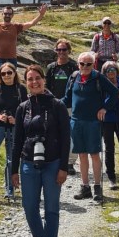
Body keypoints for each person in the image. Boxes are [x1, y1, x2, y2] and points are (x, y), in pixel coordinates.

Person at [11, 65, 70, 237]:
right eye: (30, 79)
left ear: (44, 80)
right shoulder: (22, 108)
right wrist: (14, 170)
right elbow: (16, 140)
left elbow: (66, 139)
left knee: (51, 208)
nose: (34, 82)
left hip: (52, 163)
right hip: (28, 162)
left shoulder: (57, 105)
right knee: (29, 206)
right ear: (25, 83)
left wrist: (64, 167)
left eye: (37, 78)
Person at [63, 52, 119, 203]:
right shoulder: (74, 77)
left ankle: (97, 188)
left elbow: (114, 93)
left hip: (93, 122)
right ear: (78, 64)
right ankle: (85, 187)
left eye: (88, 64)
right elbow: (67, 98)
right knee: (81, 154)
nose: (85, 67)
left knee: (94, 154)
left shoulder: (99, 78)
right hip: (76, 121)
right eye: (82, 64)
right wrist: (53, 104)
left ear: (94, 64)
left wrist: (104, 108)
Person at [0, 64, 28, 198]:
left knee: (11, 159)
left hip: (14, 127)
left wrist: (16, 119)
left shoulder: (21, 89)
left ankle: (10, 191)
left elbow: (26, 109)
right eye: (3, 74)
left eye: (9, 73)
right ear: (0, 76)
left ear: (14, 73)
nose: (6, 76)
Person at [45, 39, 78, 175]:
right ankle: (54, 158)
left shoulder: (74, 66)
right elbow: (46, 86)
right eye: (59, 50)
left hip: (70, 105)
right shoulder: (51, 68)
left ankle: (70, 163)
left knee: (71, 134)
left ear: (69, 51)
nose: (61, 52)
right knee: (53, 132)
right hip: (54, 104)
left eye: (64, 50)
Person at [101, 62, 119, 188]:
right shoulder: (102, 84)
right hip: (107, 120)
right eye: (108, 70)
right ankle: (111, 178)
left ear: (117, 70)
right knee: (109, 148)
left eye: (113, 69)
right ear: (104, 72)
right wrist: (116, 95)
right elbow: (102, 104)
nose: (111, 72)